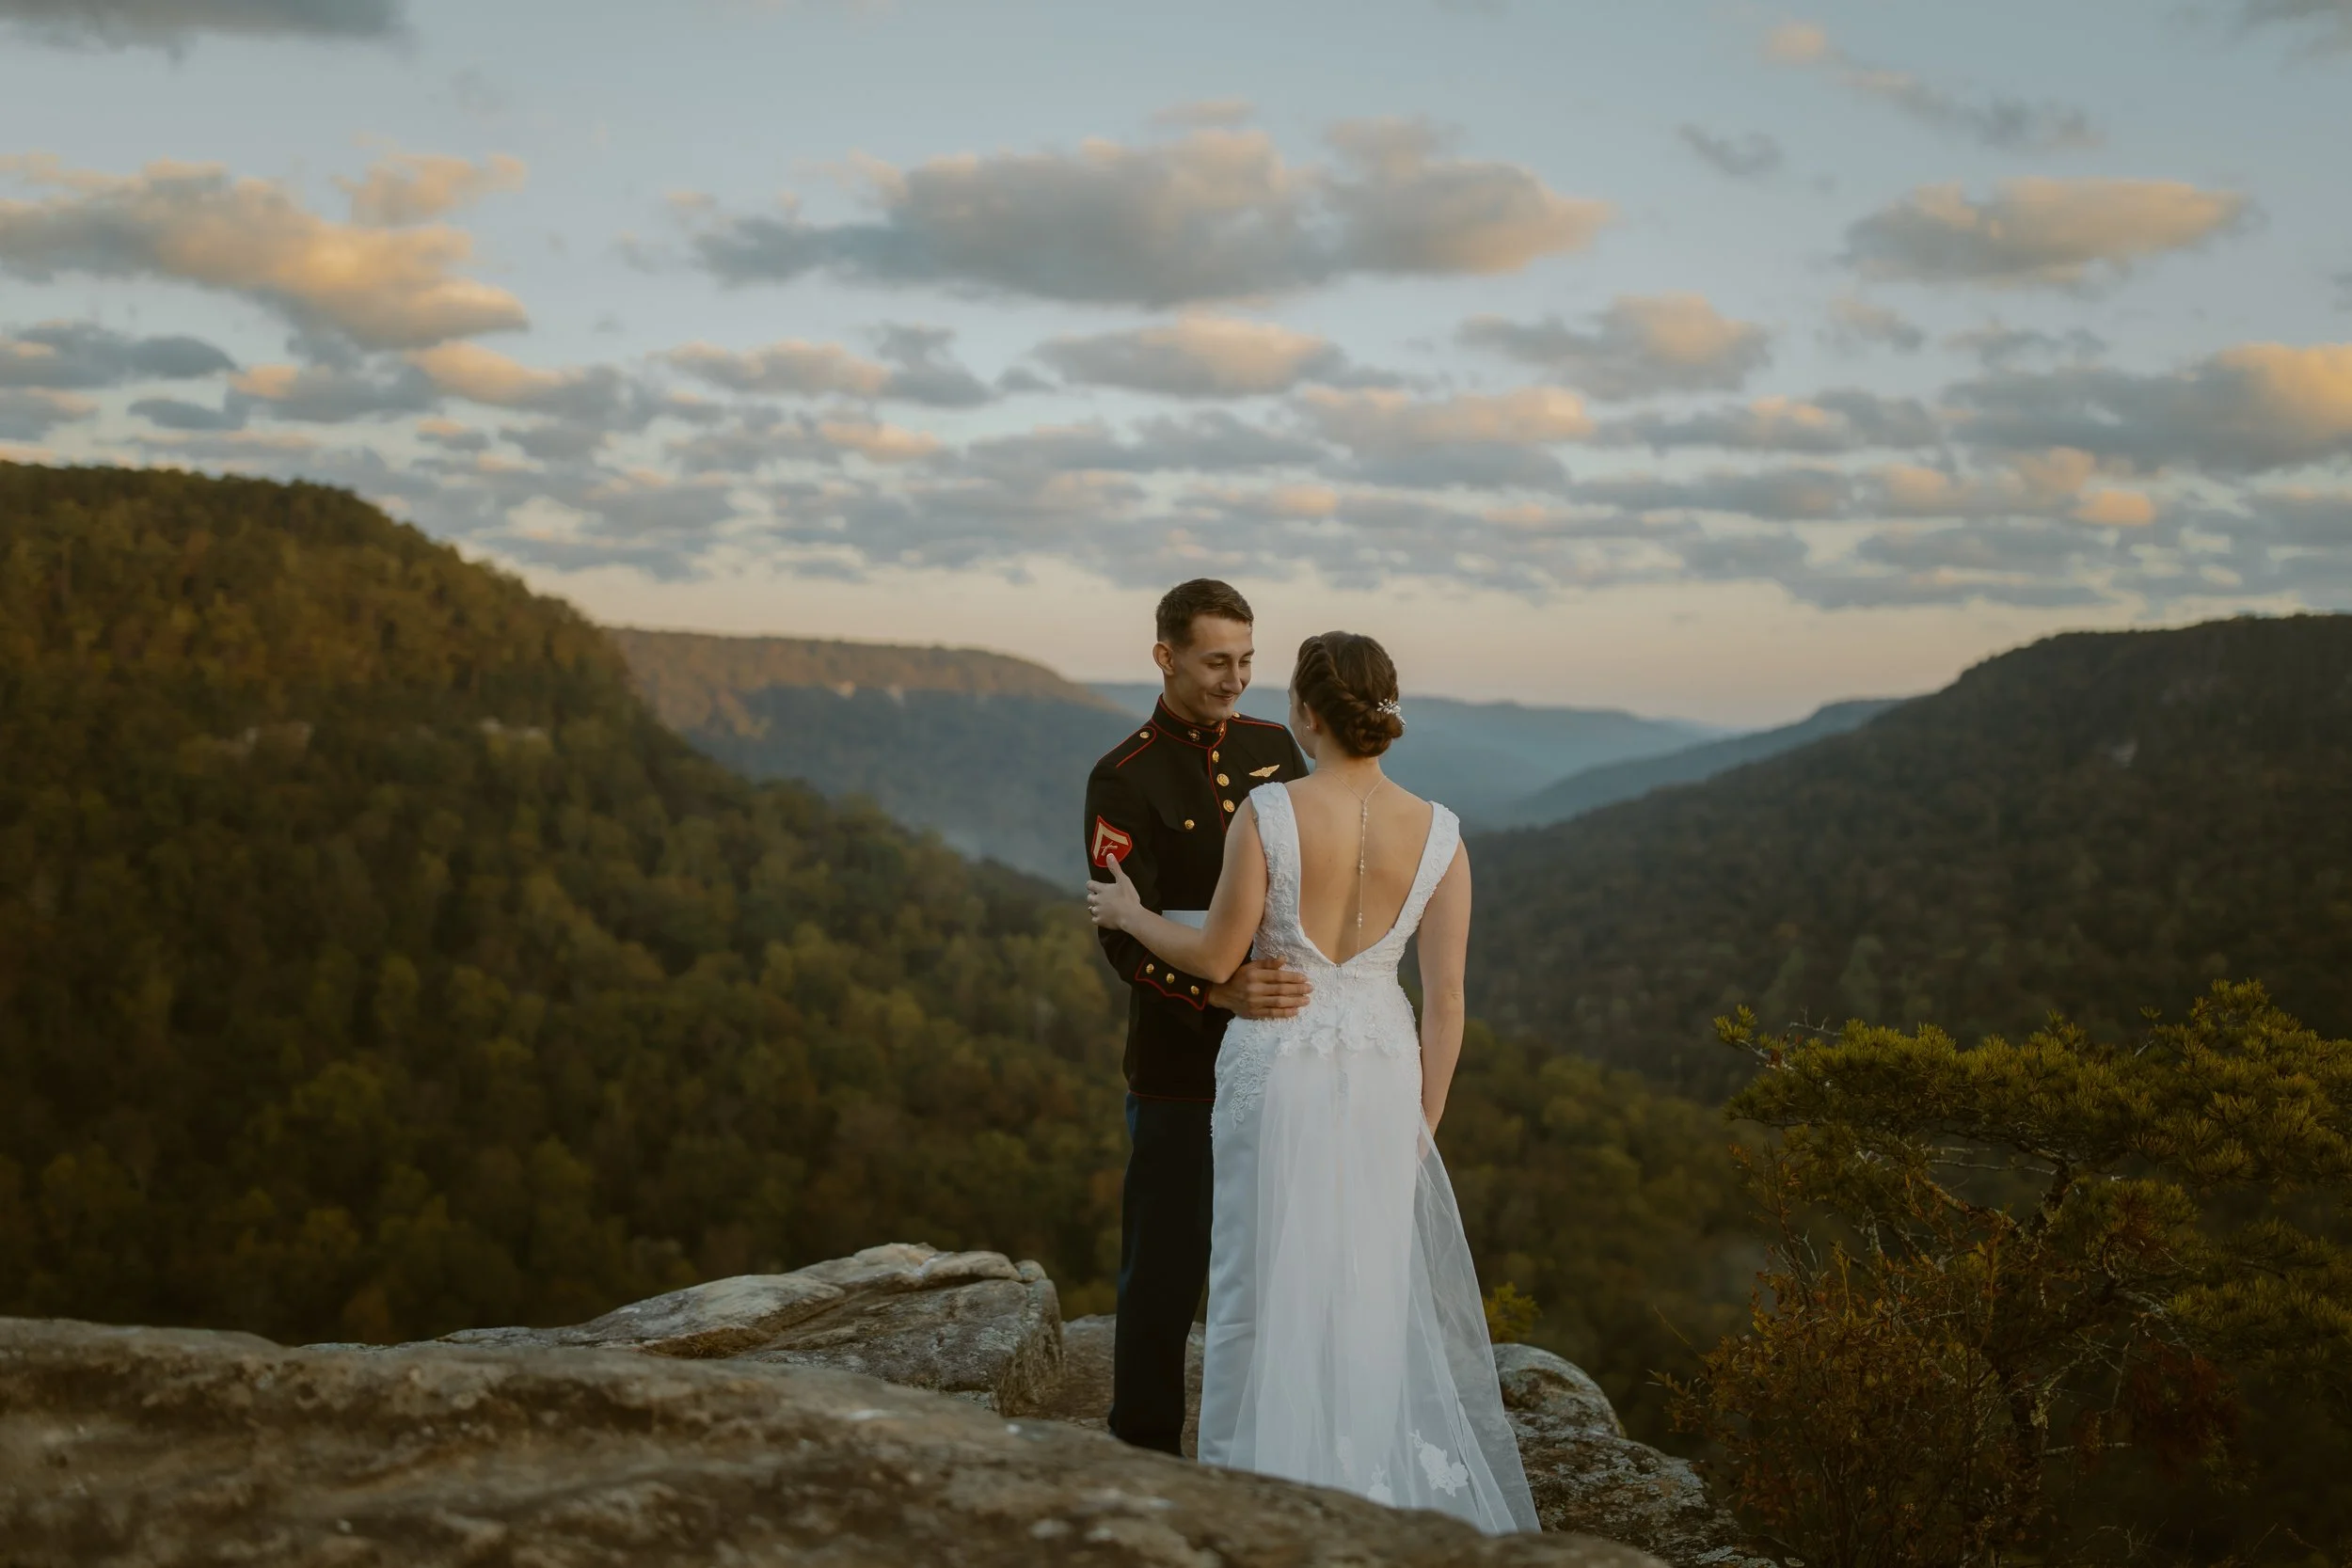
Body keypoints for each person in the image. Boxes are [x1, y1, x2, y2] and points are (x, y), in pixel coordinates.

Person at [1086, 630, 1539, 1533]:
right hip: (1385, 1073)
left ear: (1302, 714)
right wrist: (1424, 1120)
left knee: (1256, 1278)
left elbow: (1217, 953)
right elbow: (1445, 1003)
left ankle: (1251, 1498)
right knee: (1366, 1280)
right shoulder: (1443, 833)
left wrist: (1133, 913)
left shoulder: (1271, 813)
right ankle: (1366, 1491)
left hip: (1279, 1061)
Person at [1084, 579, 1311, 1457]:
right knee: (1166, 1272)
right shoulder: (1124, 775)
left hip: (1286, 1050)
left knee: (1277, 1260)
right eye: (1217, 661)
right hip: (1179, 1067)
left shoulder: (1272, 745)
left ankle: (1270, 1437)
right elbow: (1118, 932)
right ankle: (1144, 1450)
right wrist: (1215, 991)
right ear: (1165, 656)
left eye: (1248, 660)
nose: (1235, 680)